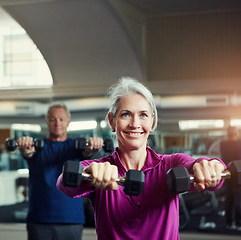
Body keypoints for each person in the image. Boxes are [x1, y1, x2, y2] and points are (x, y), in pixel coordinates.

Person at [56, 77, 226, 240]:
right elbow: (64, 184)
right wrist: (88, 174)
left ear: (152, 122)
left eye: (143, 115)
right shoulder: (101, 168)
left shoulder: (171, 164)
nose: (135, 124)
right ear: (111, 120)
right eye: (126, 115)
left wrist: (212, 167)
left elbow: (204, 168)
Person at [17, 102, 104, 240]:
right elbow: (27, 152)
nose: (57, 123)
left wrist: (94, 145)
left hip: (70, 218)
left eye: (61, 119)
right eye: (53, 119)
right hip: (39, 218)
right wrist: (24, 147)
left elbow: (87, 151)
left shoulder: (75, 146)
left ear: (68, 122)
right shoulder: (36, 146)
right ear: (47, 121)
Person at [219, 125, 241, 230]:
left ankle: (228, 223)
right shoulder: (239, 143)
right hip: (238, 174)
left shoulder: (223, 144)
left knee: (228, 199)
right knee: (238, 200)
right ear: (236, 133)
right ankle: (238, 223)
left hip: (227, 174)